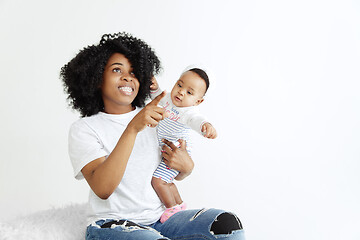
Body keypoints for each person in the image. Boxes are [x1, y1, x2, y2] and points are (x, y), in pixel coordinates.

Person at [60, 32, 245, 240]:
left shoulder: (158, 109)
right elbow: (103, 188)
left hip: (161, 220)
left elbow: (168, 168)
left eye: (134, 72)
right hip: (111, 224)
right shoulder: (85, 128)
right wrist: (132, 128)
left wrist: (186, 168)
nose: (127, 77)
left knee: (228, 226)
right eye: (116, 69)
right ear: (95, 78)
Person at [149, 68, 217, 223]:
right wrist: (154, 88)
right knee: (168, 182)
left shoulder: (189, 112)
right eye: (179, 85)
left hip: (177, 152)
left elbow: (197, 120)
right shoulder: (167, 99)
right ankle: (179, 204)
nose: (181, 92)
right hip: (166, 149)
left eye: (189, 92)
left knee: (158, 181)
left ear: (198, 101)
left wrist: (205, 126)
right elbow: (157, 98)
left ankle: (171, 208)